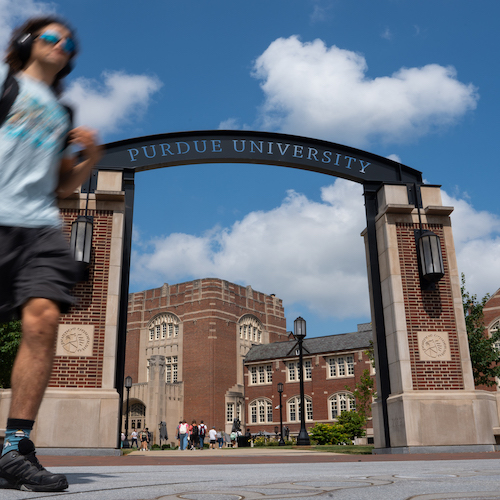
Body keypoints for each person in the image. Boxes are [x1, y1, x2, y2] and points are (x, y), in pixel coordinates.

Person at [0, 16, 101, 493]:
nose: (61, 44)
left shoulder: (63, 111)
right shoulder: (7, 85)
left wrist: (92, 159)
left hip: (41, 225)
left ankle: (15, 448)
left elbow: (62, 187)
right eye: (50, 37)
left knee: (43, 319)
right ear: (26, 42)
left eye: (67, 40)